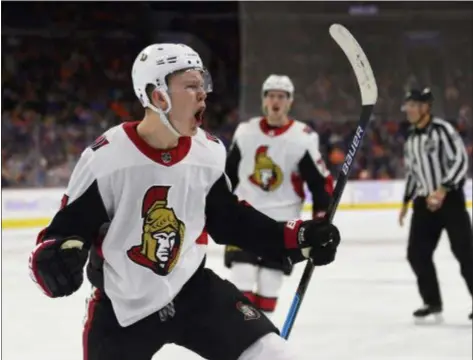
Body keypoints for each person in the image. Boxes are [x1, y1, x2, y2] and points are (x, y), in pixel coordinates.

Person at [28, 43, 341, 360]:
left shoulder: (209, 153)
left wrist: (295, 236)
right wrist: (55, 258)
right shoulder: (107, 158)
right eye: (191, 86)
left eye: (203, 83)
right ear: (157, 96)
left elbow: (229, 219)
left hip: (195, 292)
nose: (203, 93)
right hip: (123, 308)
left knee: (275, 355)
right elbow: (65, 230)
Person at [224, 75, 334, 315]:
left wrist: (321, 219)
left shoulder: (302, 137)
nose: (276, 101)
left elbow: (319, 182)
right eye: (271, 95)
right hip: (244, 216)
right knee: (241, 277)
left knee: (269, 283)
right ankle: (240, 335)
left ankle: (261, 339)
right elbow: (228, 175)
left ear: (290, 102)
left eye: (281, 96)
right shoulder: (245, 132)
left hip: (282, 223)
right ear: (264, 100)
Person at [398, 88, 473, 323]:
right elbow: (412, 173)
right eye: (407, 105)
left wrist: (442, 190)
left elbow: (460, 160)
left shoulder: (443, 130)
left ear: (425, 107)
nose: (408, 109)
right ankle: (432, 302)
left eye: (413, 105)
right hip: (423, 203)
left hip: (449, 200)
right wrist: (405, 202)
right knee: (416, 254)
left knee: (465, 253)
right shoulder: (411, 137)